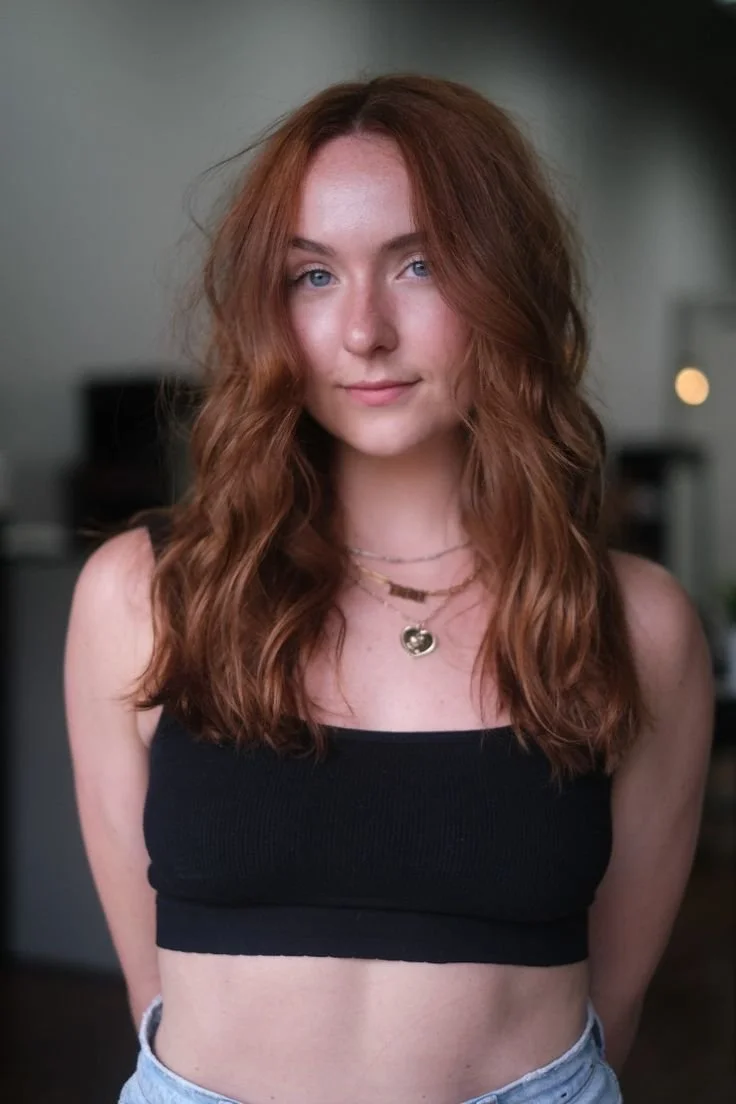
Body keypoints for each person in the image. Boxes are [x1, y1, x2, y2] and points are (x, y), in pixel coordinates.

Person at [64, 74, 714, 1104]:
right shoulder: (141, 597)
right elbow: (149, 982)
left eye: (417, 265)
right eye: (312, 277)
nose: (363, 329)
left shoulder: (632, 625)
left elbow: (614, 1004)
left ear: (505, 286)